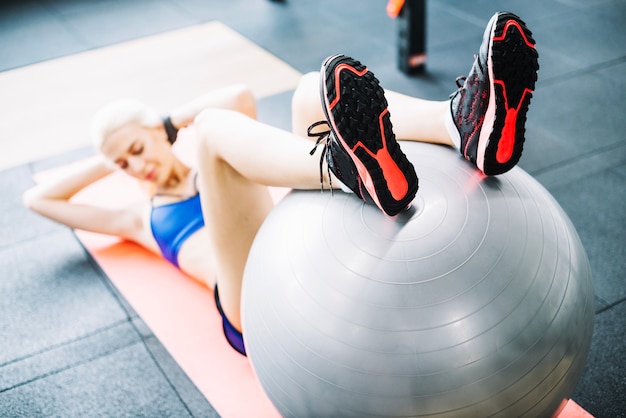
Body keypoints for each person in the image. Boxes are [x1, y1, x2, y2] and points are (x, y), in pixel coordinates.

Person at [23, 11, 538, 356]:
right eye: (124, 167)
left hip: (298, 254)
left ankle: (461, 123)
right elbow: (39, 197)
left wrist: (164, 124)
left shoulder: (196, 150)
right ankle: (344, 169)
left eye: (138, 150)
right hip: (251, 307)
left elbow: (240, 94)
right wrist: (109, 156)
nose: (136, 167)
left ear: (158, 134)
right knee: (214, 130)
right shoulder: (138, 216)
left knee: (308, 91)